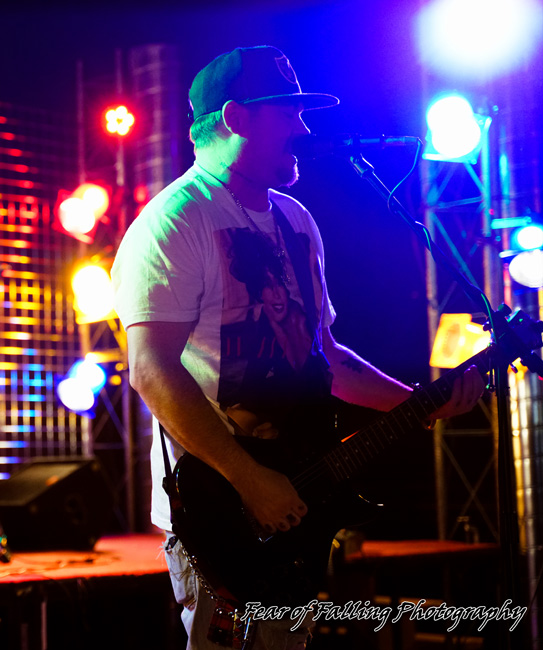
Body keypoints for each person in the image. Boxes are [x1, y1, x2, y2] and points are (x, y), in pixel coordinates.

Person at [110, 46, 485, 649]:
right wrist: (250, 479)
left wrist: (420, 403)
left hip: (298, 486)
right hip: (221, 505)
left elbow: (326, 356)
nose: (305, 129)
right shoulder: (174, 222)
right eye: (289, 112)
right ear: (236, 118)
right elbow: (151, 371)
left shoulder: (296, 221)